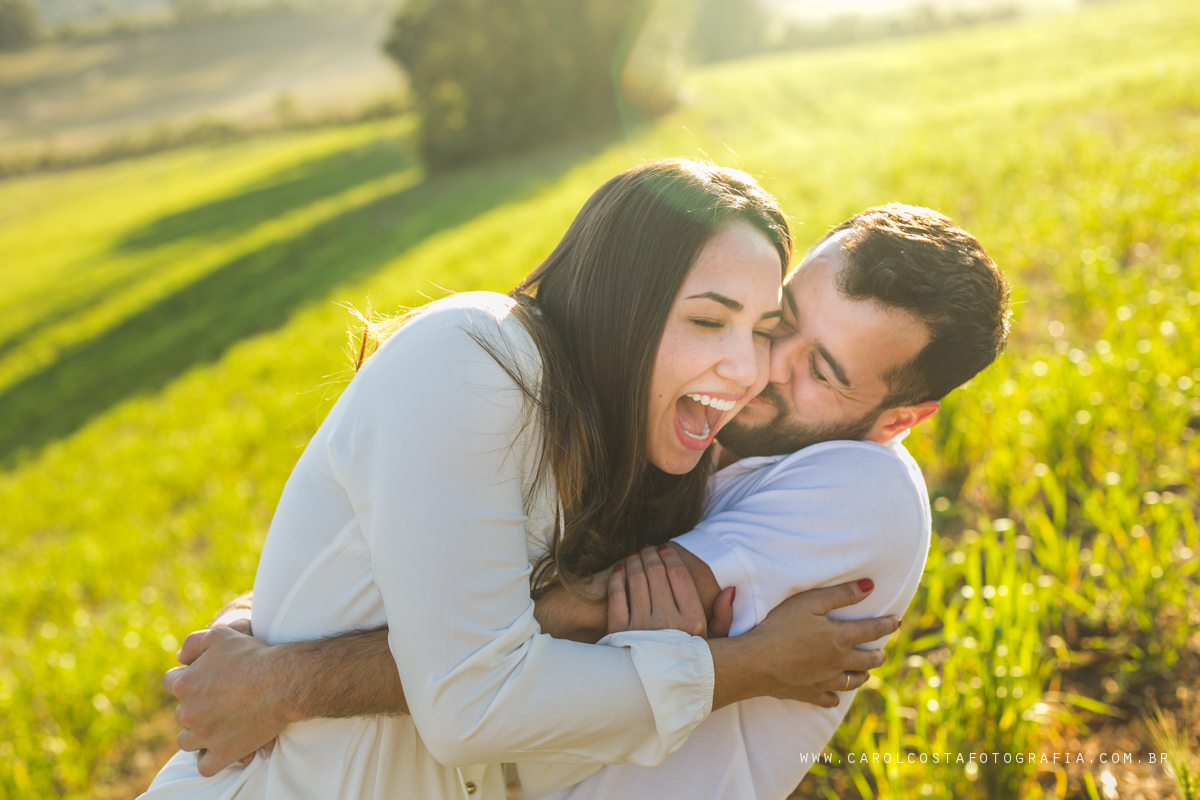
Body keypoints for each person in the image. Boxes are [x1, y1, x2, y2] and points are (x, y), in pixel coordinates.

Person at [162, 203, 1009, 800]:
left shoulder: (862, 488)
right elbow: (453, 570)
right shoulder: (672, 433)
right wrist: (262, 623)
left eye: (820, 371)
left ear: (901, 419)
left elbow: (529, 627)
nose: (762, 367)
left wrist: (286, 678)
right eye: (778, 321)